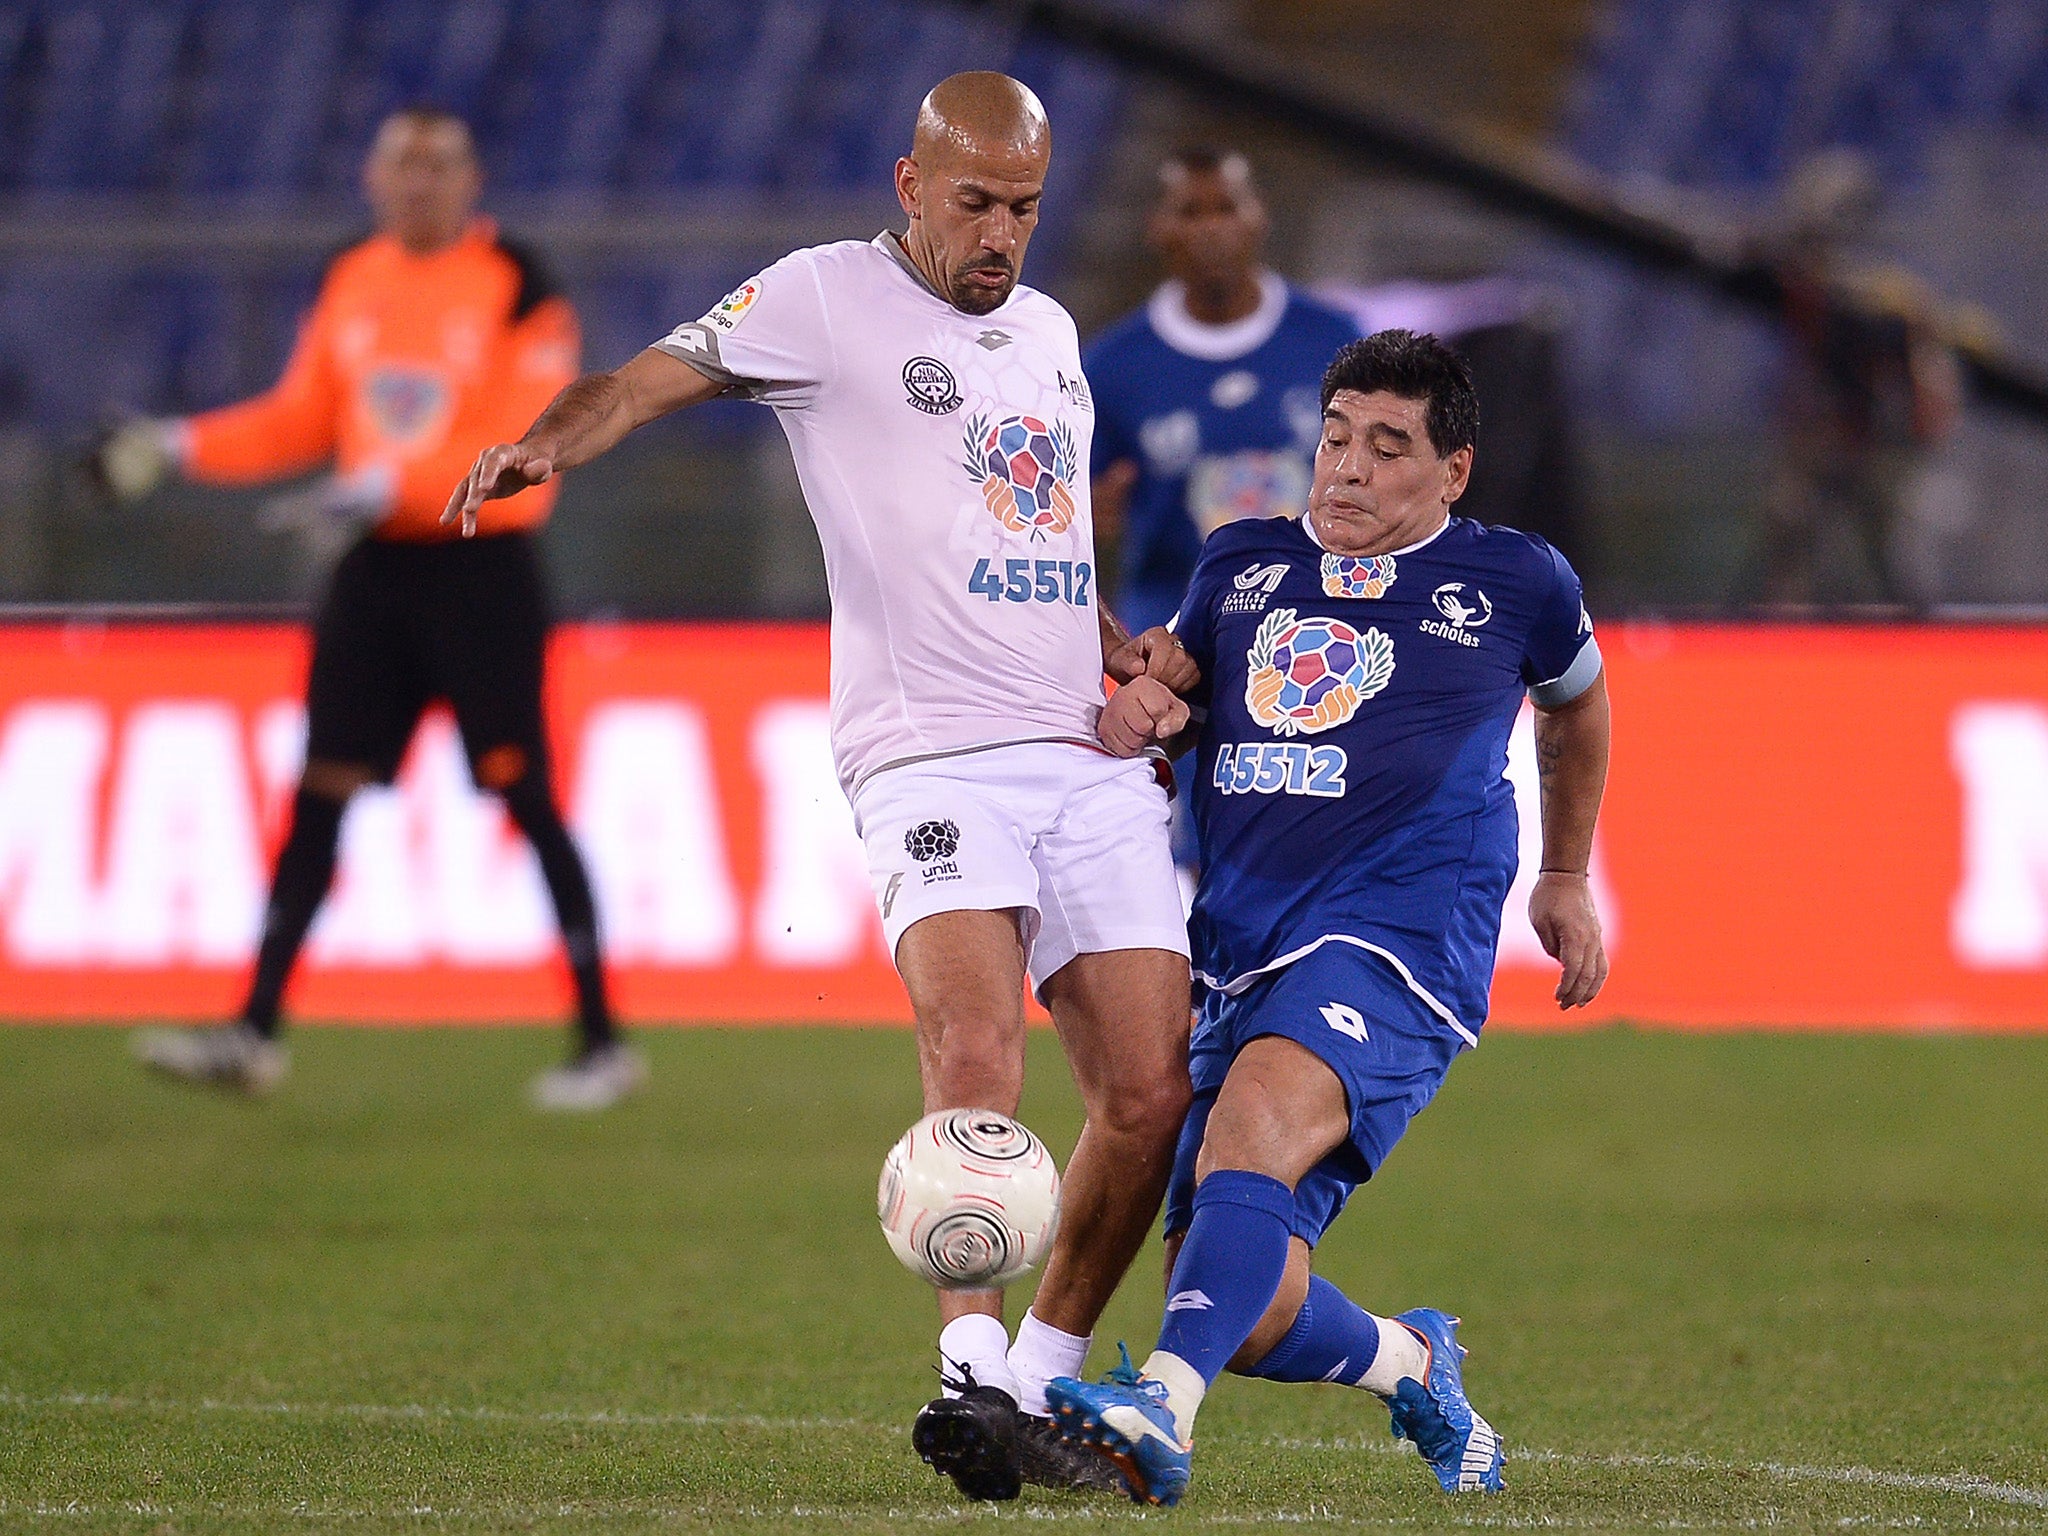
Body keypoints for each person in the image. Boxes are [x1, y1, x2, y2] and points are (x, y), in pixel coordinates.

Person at [444, 73, 1195, 1500]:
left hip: (1081, 751)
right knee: (975, 1053)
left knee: (1153, 1091)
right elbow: (646, 380)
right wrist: (553, 440)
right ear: (911, 188)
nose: (1000, 235)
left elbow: (1036, 539)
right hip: (927, 751)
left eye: (1024, 209)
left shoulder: (1047, 334)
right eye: (974, 202)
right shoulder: (822, 298)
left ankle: (1041, 1383)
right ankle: (967, 1378)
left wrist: (1120, 657)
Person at [1049, 331, 1612, 1505]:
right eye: (1336, 440)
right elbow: (1184, 696)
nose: (1347, 470)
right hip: (1242, 939)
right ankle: (1408, 1360)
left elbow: (1575, 707)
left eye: (1387, 448)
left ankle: (1160, 1408)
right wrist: (1151, 700)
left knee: (1254, 1116)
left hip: (1404, 934)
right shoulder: (1239, 563)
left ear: (1450, 471)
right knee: (1244, 1310)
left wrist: (1562, 873)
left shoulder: (1515, 581)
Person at [107, 108, 642, 1112]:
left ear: (471, 180)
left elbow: (530, 447)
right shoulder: (355, 275)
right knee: (321, 791)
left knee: (522, 799)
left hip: (481, 572)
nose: (418, 183)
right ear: (371, 177)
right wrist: (180, 446)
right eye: (402, 164)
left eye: (438, 165)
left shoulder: (519, 284)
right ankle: (252, 1031)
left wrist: (385, 483)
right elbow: (303, 416)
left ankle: (602, 1041)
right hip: (376, 575)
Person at [1085, 148, 1360, 640]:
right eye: (1191, 212)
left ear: (1259, 217)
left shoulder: (1335, 339)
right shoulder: (1111, 367)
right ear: (1158, 227)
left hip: (1324, 625)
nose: (1211, 229)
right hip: (1173, 634)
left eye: (1227, 208)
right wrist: (1092, 516)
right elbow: (1079, 511)